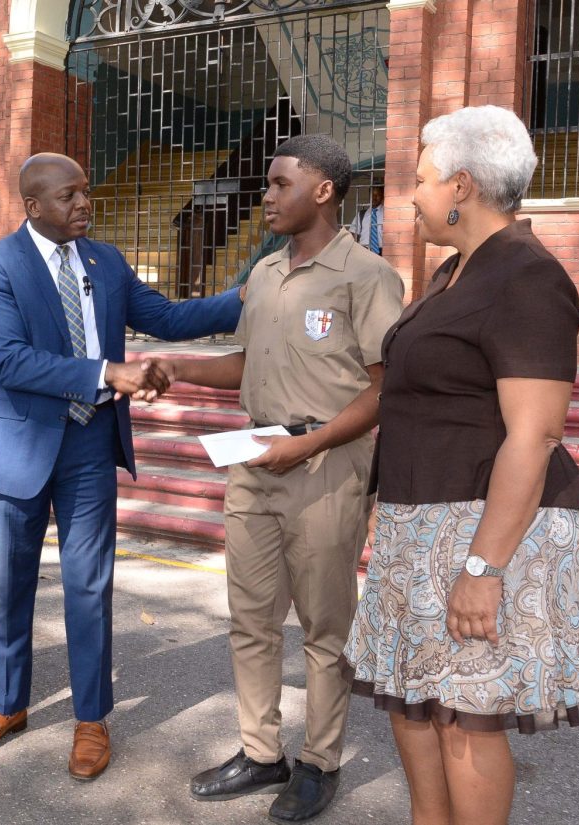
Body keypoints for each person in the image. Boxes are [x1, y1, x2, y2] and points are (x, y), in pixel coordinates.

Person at [343, 106, 579, 825]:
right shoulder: (456, 270)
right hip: (420, 523)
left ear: (462, 186)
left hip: (480, 529)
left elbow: (533, 436)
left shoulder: (526, 276)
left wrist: (483, 568)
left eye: (420, 179)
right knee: (416, 700)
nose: (410, 196)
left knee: (465, 714)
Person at [0, 152, 243, 780]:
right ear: (33, 205)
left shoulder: (103, 261)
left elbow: (165, 317)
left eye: (86, 192)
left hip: (89, 448)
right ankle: (6, 705)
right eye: (68, 196)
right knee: (11, 587)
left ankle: (91, 718)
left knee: (90, 588)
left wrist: (244, 298)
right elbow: (10, 361)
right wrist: (106, 372)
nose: (84, 204)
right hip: (18, 450)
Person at [150, 135, 404, 821]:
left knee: (324, 625)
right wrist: (178, 368)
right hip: (253, 459)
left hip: (328, 463)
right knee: (251, 618)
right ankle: (262, 752)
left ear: (323, 190)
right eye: (265, 184)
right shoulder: (264, 273)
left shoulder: (367, 275)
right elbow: (248, 361)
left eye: (278, 183)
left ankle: (319, 762)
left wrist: (313, 443)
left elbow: (386, 389)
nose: (264, 195)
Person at [348, 185, 383, 254]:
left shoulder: (387, 214)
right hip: (363, 250)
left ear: (382, 196)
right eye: (372, 195)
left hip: (382, 251)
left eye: (377, 195)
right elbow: (353, 235)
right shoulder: (361, 214)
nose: (374, 197)